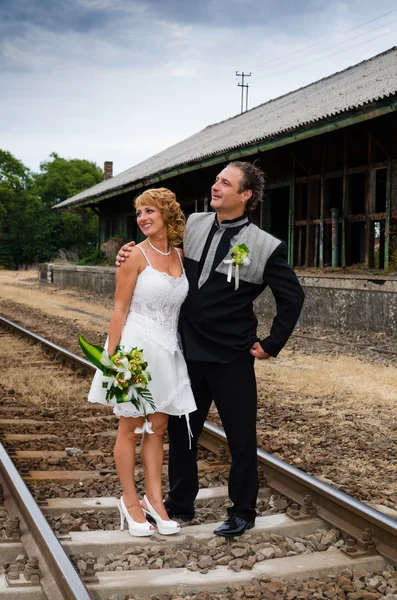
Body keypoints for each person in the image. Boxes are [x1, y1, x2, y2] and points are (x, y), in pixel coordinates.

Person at [116, 161, 304, 537]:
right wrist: (127, 252)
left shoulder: (265, 246)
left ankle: (242, 511)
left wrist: (271, 344)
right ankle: (181, 503)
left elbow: (293, 297)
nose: (215, 186)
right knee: (183, 433)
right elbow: (159, 250)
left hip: (233, 357)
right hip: (185, 351)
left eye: (225, 183)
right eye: (216, 180)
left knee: (241, 438)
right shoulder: (195, 224)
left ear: (245, 195)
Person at [88, 187, 196, 537]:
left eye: (150, 211)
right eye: (139, 213)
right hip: (134, 349)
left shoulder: (181, 256)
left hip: (167, 351)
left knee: (158, 428)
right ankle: (130, 503)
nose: (143, 218)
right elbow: (119, 309)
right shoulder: (134, 255)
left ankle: (155, 501)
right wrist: (112, 359)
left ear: (166, 214)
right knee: (131, 428)